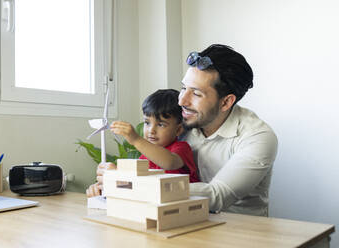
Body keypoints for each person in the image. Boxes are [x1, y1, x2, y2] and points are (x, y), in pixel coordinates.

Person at [87, 44, 278, 217]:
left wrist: (130, 185)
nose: (181, 101)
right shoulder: (182, 122)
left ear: (226, 101)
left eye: (196, 93)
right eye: (183, 88)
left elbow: (218, 196)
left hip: (241, 231)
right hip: (181, 219)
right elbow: (155, 162)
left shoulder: (257, 137)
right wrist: (113, 182)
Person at [111, 89, 199, 182]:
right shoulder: (145, 156)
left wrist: (136, 140)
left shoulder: (182, 148)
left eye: (161, 124)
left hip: (183, 195)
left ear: (178, 130)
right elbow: (135, 181)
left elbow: (169, 163)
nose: (151, 130)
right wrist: (114, 174)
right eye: (147, 123)